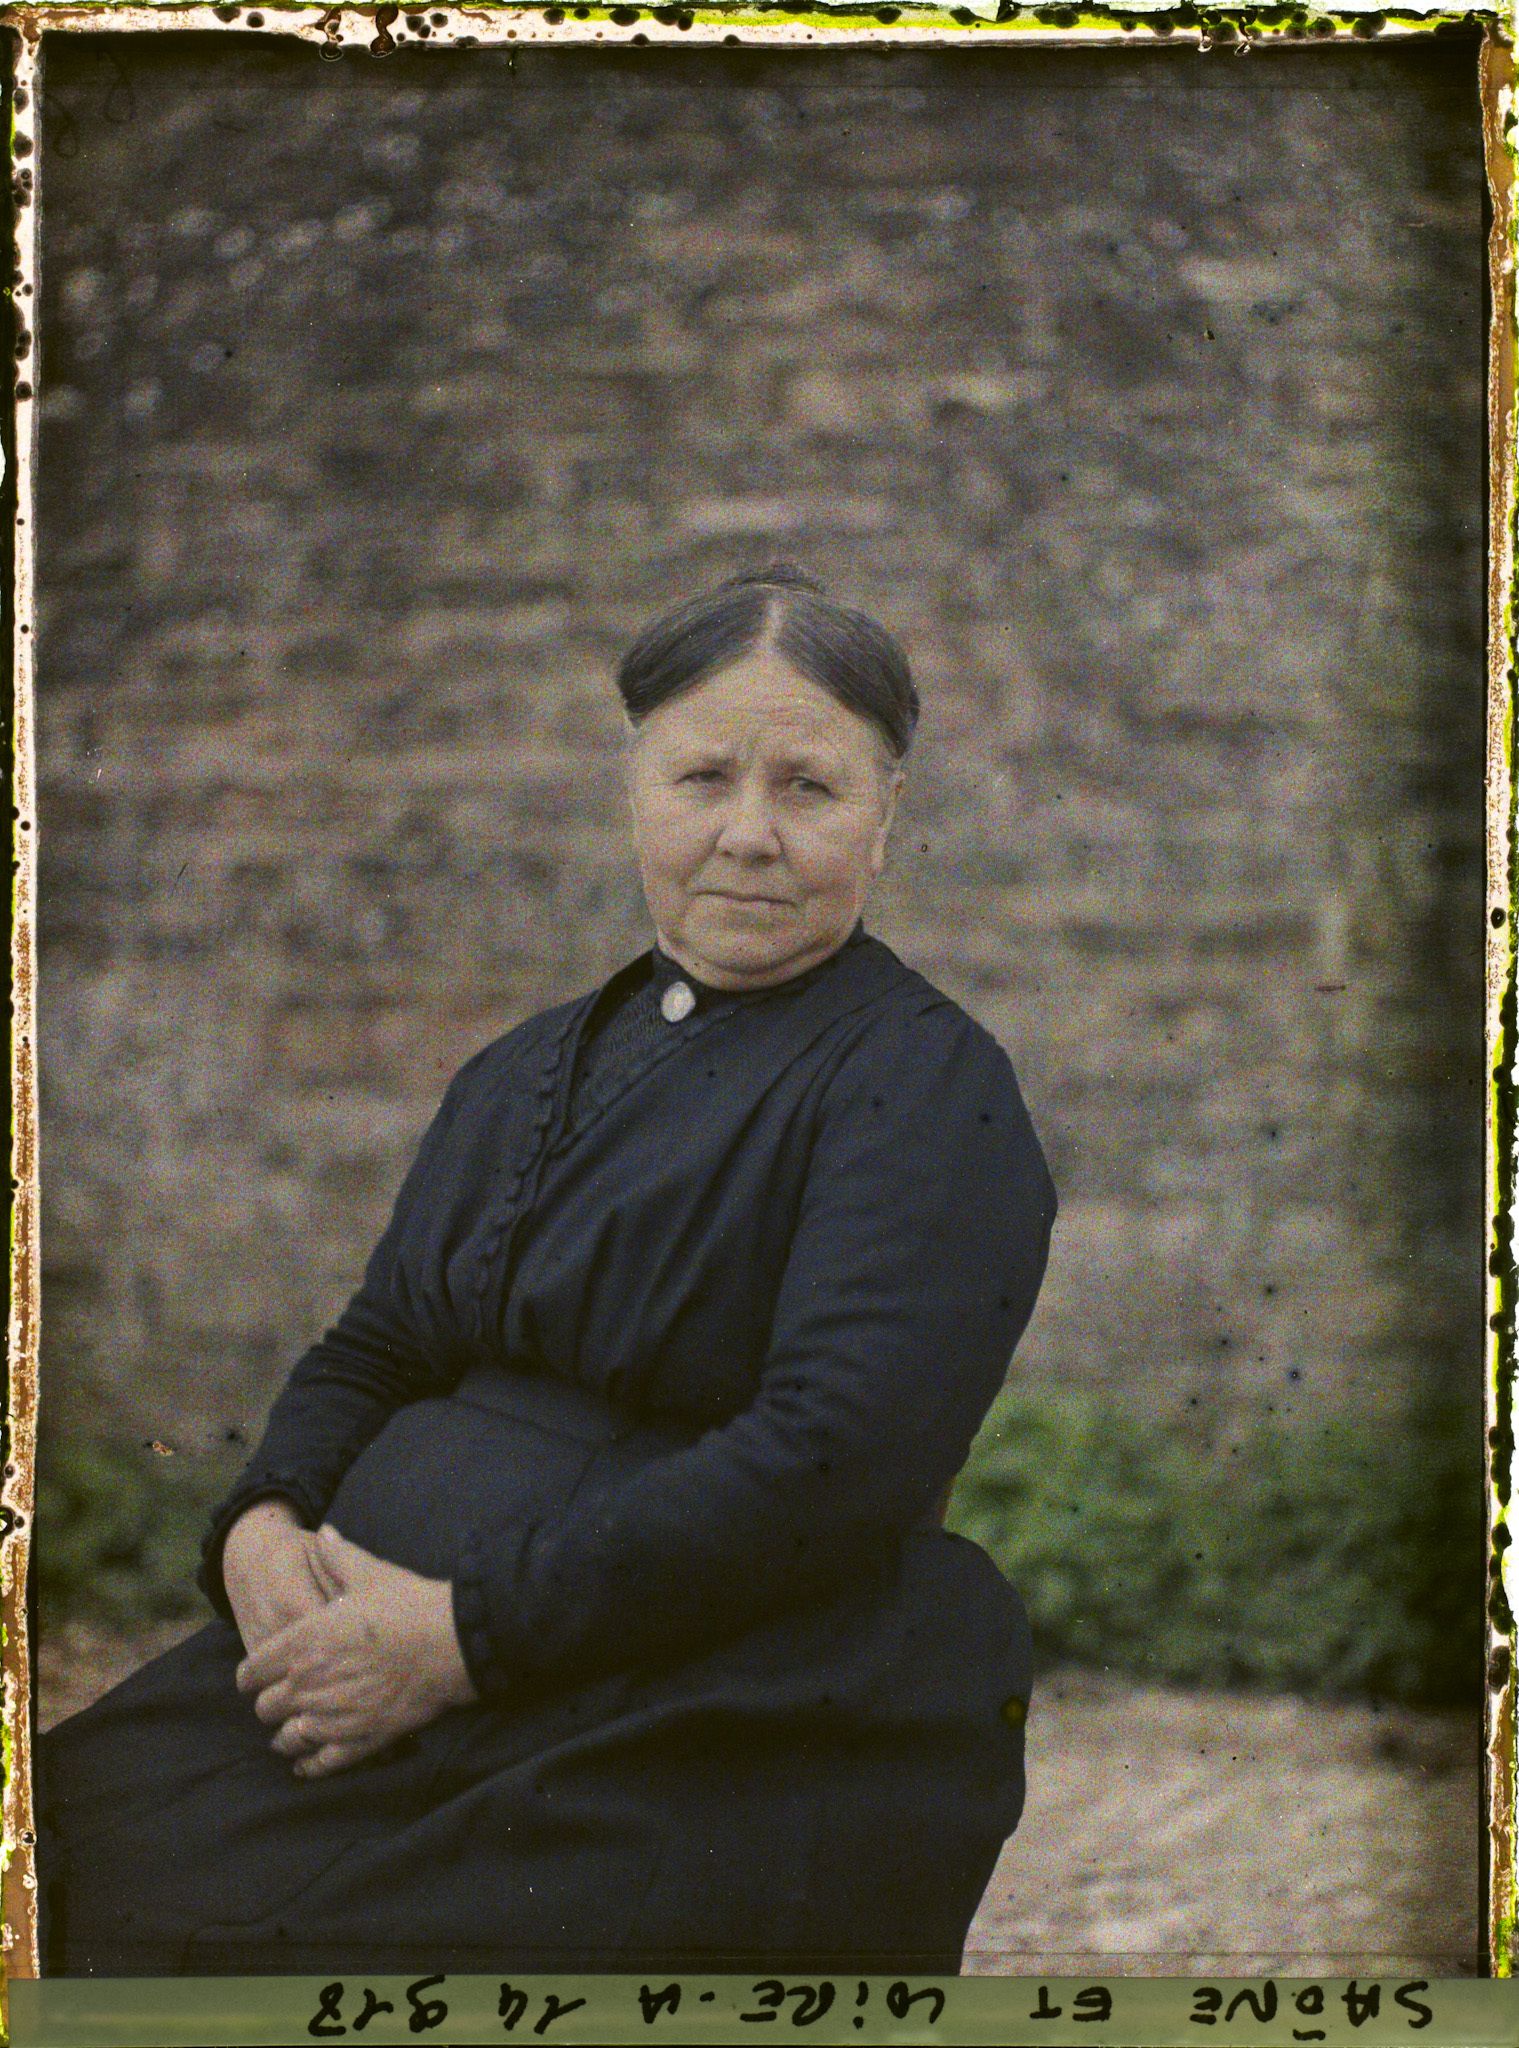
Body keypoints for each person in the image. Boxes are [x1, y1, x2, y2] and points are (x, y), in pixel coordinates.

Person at [37, 564, 1059, 1977]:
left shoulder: (924, 1083)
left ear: (886, 821)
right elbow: (380, 1344)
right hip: (364, 1681)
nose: (749, 835)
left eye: (810, 789)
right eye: (703, 776)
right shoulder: (519, 1069)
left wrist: (460, 1639)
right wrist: (261, 1527)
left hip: (688, 1698)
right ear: (634, 792)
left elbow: (833, 1457)